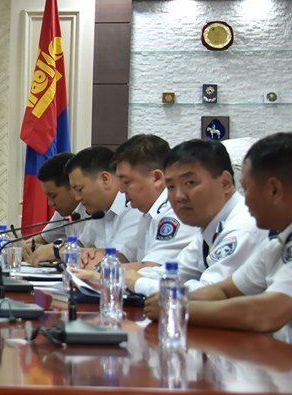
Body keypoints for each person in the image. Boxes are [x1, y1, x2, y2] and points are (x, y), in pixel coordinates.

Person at [144, 133, 292, 332]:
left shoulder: (245, 227)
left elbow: (265, 314)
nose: (244, 200)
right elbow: (223, 290)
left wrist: (176, 307)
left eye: (246, 189)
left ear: (274, 190)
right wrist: (174, 298)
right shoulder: (276, 244)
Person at [128, 139, 266, 297]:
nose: (178, 196)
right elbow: (174, 272)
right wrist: (125, 277)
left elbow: (209, 294)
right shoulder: (210, 226)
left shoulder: (243, 227)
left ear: (225, 183)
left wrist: (138, 282)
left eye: (190, 183)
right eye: (171, 186)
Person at [84, 135, 196, 271]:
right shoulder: (148, 214)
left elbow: (151, 268)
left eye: (126, 182)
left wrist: (100, 270)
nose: (121, 190)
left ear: (156, 178)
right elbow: (126, 255)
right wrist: (96, 256)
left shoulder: (175, 212)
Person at [25, 152, 87, 264]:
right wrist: (24, 247)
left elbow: (90, 253)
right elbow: (43, 239)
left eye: (53, 196)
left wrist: (55, 250)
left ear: (72, 186)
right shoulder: (64, 211)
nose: (50, 203)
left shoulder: (95, 210)